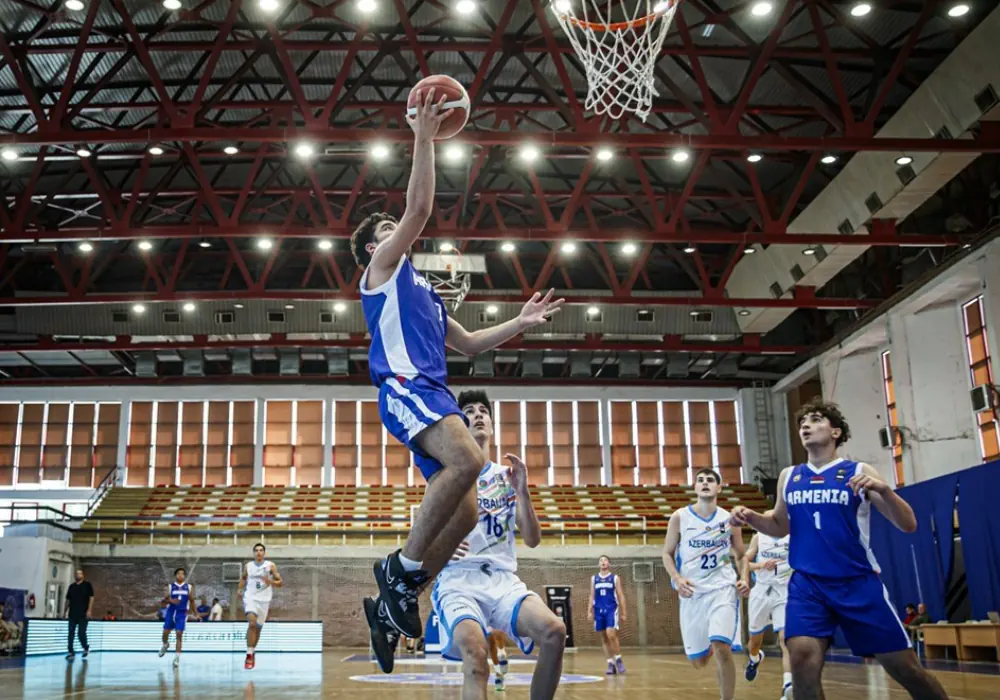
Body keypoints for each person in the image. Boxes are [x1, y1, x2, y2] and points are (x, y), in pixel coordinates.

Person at [353, 88, 563, 644]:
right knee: (471, 459)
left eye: (391, 230)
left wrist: (520, 321)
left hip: (435, 394)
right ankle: (400, 572)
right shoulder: (382, 271)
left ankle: (394, 603)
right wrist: (423, 137)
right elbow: (418, 211)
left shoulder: (424, 290)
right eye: (384, 232)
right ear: (372, 250)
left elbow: (468, 344)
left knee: (468, 513)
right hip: (406, 386)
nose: (394, 233)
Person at [729, 400, 950, 700]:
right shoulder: (790, 476)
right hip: (808, 585)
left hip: (856, 582)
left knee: (905, 668)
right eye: (802, 422)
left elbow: (908, 524)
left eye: (815, 420)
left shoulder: (857, 471)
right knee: (801, 660)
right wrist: (751, 517)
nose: (805, 425)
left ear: (835, 432)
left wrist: (884, 490)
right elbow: (780, 526)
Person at [392, 389, 566, 700]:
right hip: (458, 580)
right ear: (460, 426)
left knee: (555, 632)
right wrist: (443, 543)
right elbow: (422, 538)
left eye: (483, 411)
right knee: (476, 655)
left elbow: (533, 539)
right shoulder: (446, 477)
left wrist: (523, 491)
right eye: (470, 411)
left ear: (492, 424)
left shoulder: (507, 477)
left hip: (502, 580)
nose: (478, 415)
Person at [662, 468, 749, 700]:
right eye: (700, 480)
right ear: (695, 487)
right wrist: (677, 578)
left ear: (719, 488)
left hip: (722, 589)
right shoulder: (680, 517)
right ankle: (709, 644)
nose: (705, 483)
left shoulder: (729, 520)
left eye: (710, 480)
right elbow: (667, 554)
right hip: (692, 592)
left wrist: (743, 578)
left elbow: (741, 555)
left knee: (722, 648)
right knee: (699, 662)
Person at [742, 528, 793, 699]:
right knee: (755, 642)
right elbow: (744, 562)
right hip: (761, 591)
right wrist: (760, 565)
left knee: (785, 639)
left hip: (783, 591)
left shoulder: (792, 536)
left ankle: (787, 685)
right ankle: (755, 658)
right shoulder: (759, 537)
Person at [238, 543, 282, 670]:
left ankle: (252, 651)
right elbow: (243, 578)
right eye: (256, 550)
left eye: (261, 550)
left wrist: (271, 581)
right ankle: (249, 655)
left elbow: (280, 582)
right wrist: (240, 589)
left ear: (264, 553)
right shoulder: (248, 566)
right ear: (253, 553)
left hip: (264, 600)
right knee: (252, 623)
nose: (258, 552)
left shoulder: (270, 566)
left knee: (257, 629)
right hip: (250, 597)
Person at [587, 555, 627, 675]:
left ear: (609, 563)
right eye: (601, 560)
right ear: (598, 564)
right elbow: (592, 595)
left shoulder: (614, 578)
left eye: (605, 560)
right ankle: (610, 663)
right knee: (604, 637)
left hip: (611, 609)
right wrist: (589, 611)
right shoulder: (594, 579)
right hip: (598, 610)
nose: (603, 562)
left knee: (611, 634)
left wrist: (624, 612)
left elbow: (620, 595)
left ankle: (618, 659)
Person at [159, 567, 192, 668]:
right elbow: (164, 600)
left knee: (179, 634)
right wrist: (170, 600)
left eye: (182, 574)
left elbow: (192, 601)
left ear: (184, 576)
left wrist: (196, 613)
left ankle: (177, 658)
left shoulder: (189, 587)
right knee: (165, 632)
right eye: (178, 573)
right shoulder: (170, 586)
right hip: (171, 612)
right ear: (175, 575)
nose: (180, 575)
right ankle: (165, 644)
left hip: (181, 613)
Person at [64, 569, 93, 661]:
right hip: (72, 614)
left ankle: (85, 647)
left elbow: (91, 598)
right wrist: (65, 611)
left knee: (81, 633)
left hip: (83, 614)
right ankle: (71, 652)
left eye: (80, 574)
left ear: (83, 575)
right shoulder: (71, 587)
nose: (78, 575)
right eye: (76, 574)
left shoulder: (87, 585)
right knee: (70, 634)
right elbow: (68, 599)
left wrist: (89, 610)